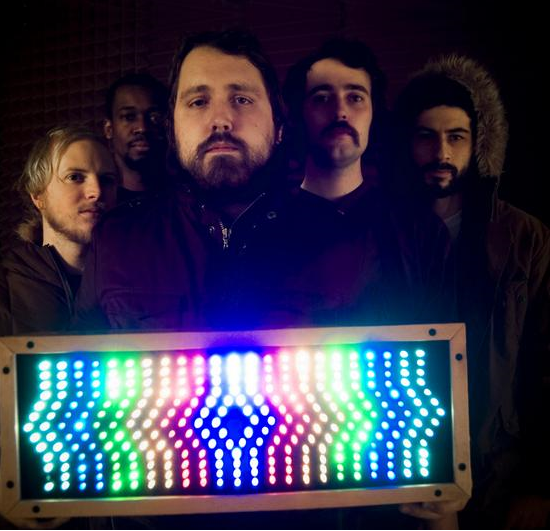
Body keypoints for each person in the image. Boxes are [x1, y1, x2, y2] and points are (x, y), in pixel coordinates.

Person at [393, 54, 550, 529]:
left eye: (456, 136)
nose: (441, 151)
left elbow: (544, 362)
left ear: (480, 144)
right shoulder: (383, 232)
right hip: (408, 466)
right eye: (426, 136)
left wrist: (539, 483)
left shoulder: (524, 236)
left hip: (501, 466)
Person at [0, 125, 118, 528]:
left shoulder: (141, 294)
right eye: (75, 177)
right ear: (37, 194)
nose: (96, 191)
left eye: (107, 179)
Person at [223, 38, 449, 331]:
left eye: (355, 97)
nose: (340, 111)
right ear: (299, 115)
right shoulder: (256, 231)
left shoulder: (419, 231)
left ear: (374, 114)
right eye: (322, 98)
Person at [74, 29, 285, 332]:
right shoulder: (116, 240)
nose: (221, 121)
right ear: (172, 128)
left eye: (242, 99)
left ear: (278, 126)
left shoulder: (339, 239)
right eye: (198, 102)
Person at [103, 72, 169, 203]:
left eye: (154, 117)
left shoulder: (186, 197)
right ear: (109, 129)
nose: (142, 128)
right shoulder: (99, 201)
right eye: (129, 117)